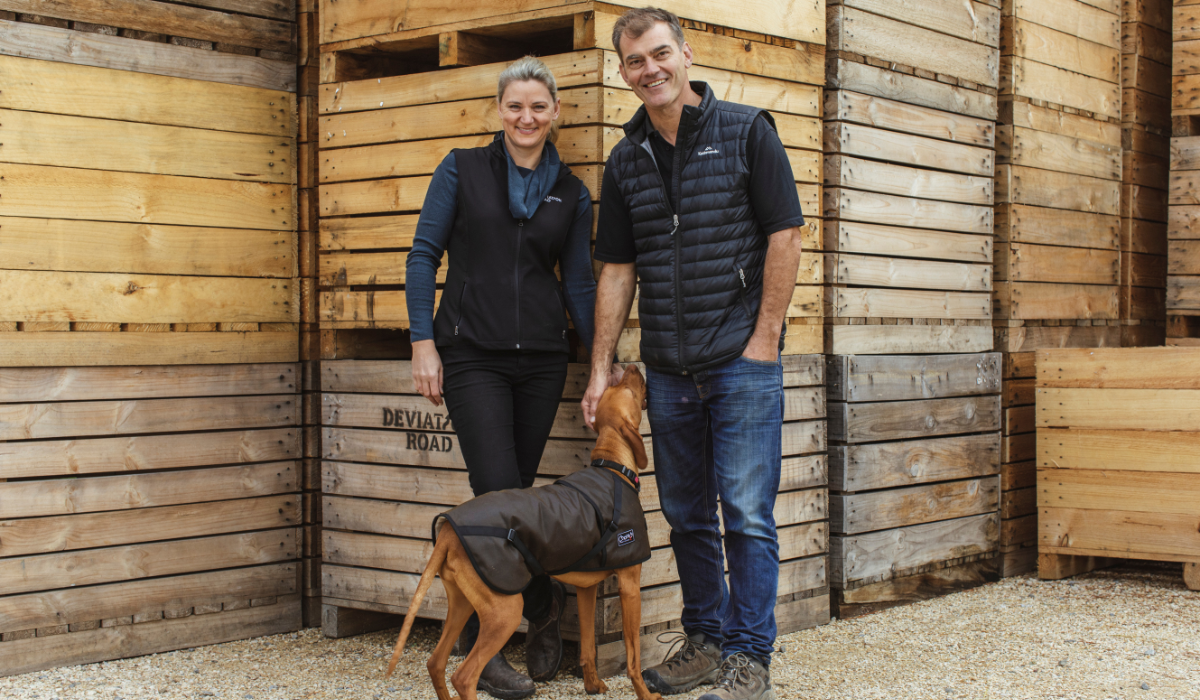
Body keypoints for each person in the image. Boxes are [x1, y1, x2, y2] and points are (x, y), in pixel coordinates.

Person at [580, 8, 805, 700]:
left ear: (685, 52)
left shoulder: (746, 132)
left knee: (744, 512)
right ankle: (705, 639)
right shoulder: (627, 159)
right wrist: (601, 364)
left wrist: (764, 339)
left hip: (741, 362)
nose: (650, 70)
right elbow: (617, 268)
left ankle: (749, 657)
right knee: (684, 514)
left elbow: (786, 234)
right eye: (635, 62)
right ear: (623, 73)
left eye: (659, 54)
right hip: (671, 371)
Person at [406, 55, 597, 700]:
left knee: (518, 496)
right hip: (471, 354)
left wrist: (598, 363)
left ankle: (537, 614)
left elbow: (577, 283)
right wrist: (423, 344)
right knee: (494, 489)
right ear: (499, 110)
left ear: (555, 113)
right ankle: (484, 647)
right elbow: (423, 254)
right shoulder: (461, 168)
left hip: (541, 360)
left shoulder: (570, 192)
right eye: (515, 105)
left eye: (538, 107)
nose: (526, 117)